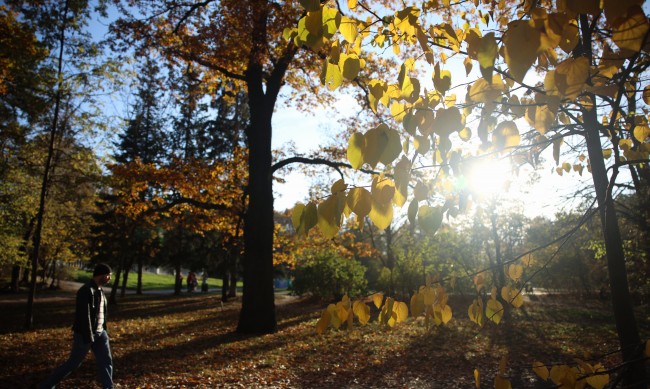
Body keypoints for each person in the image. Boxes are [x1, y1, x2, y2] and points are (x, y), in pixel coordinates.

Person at [40, 263, 114, 389]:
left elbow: (101, 313)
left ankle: (109, 387)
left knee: (106, 362)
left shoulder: (100, 291)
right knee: (73, 363)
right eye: (108, 275)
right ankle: (47, 386)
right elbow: (84, 316)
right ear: (101, 275)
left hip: (101, 334)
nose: (109, 278)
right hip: (85, 334)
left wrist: (104, 331)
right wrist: (89, 335)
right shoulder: (86, 291)